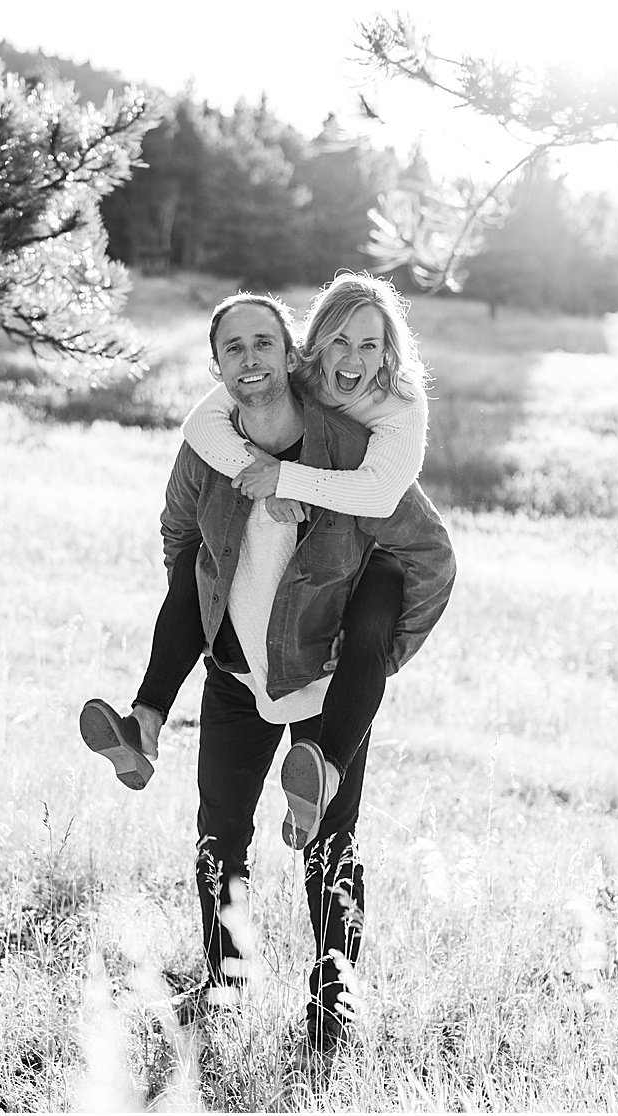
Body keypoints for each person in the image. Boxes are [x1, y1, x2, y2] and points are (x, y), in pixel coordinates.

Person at [95, 293, 456, 1059]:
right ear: (219, 364)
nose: (251, 359)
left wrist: (382, 651)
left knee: (329, 843)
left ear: (291, 355)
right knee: (218, 835)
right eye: (235, 347)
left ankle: (334, 1003)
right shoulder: (210, 442)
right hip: (235, 674)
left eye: (265, 342)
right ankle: (224, 980)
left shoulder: (353, 447)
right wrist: (207, 606)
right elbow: (179, 530)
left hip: (326, 679)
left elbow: (419, 553)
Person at [82, 273, 428, 849]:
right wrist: (259, 480)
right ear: (312, 351)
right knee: (200, 563)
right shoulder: (290, 380)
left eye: (369, 345)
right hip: (240, 664)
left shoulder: (396, 406)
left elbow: (385, 501)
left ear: (387, 353)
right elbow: (199, 432)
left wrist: (290, 479)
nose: (353, 359)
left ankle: (327, 774)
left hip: (364, 581)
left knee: (332, 848)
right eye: (339, 342)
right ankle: (144, 721)